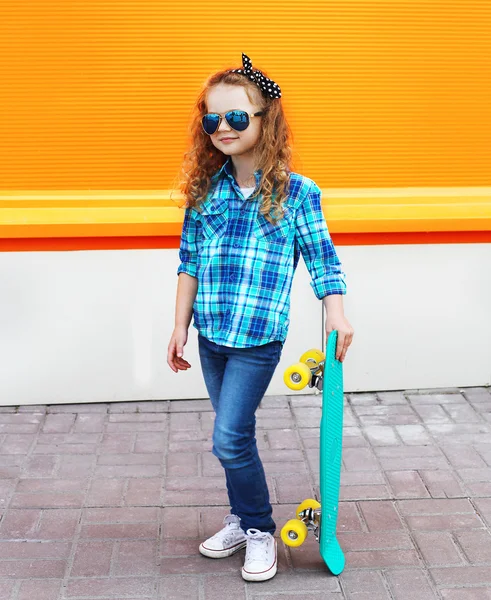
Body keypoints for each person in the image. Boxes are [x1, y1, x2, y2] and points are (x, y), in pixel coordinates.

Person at [167, 53, 354, 582]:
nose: (222, 128)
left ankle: (258, 529)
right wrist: (179, 327)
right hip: (211, 335)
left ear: (265, 120)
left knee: (226, 437)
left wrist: (337, 316)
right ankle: (241, 516)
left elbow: (323, 260)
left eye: (236, 117)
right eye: (211, 119)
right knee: (238, 436)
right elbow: (189, 264)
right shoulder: (205, 193)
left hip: (257, 340)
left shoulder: (298, 193)